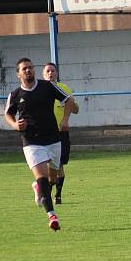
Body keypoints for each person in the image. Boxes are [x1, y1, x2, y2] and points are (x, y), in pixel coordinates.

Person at [4, 58, 74, 231]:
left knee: (53, 178)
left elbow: (69, 100)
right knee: (42, 179)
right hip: (31, 141)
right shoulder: (15, 95)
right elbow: (8, 114)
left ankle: (39, 189)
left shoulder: (47, 86)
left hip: (53, 138)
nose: (28, 70)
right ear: (18, 74)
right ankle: (52, 215)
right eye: (24, 69)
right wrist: (15, 125)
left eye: (30, 68)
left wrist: (65, 120)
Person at [42, 62, 79, 204]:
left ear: (56, 73)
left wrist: (72, 104)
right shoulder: (40, 91)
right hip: (45, 133)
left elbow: (76, 110)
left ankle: (57, 195)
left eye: (53, 71)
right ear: (43, 74)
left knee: (60, 165)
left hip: (61, 132)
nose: (50, 73)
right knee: (47, 165)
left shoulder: (64, 89)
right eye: (48, 71)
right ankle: (45, 192)